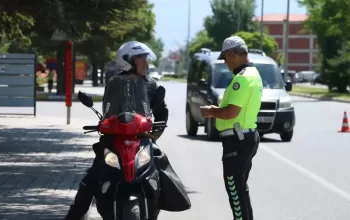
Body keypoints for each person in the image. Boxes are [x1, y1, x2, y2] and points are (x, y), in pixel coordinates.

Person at [65, 41, 190, 220]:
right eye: (141, 60)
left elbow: (161, 111)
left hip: (141, 140)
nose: (146, 64)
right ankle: (74, 215)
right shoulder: (113, 83)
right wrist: (104, 124)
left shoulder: (151, 84)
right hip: (113, 141)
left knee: (161, 163)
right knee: (90, 178)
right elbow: (108, 111)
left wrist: (156, 133)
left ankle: (163, 200)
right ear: (128, 61)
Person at [200, 36, 262, 220]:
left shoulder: (241, 80)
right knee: (240, 186)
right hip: (245, 137)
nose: (225, 62)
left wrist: (211, 111)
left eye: (225, 57)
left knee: (234, 187)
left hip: (238, 140)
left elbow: (231, 112)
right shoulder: (254, 75)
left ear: (234, 54)